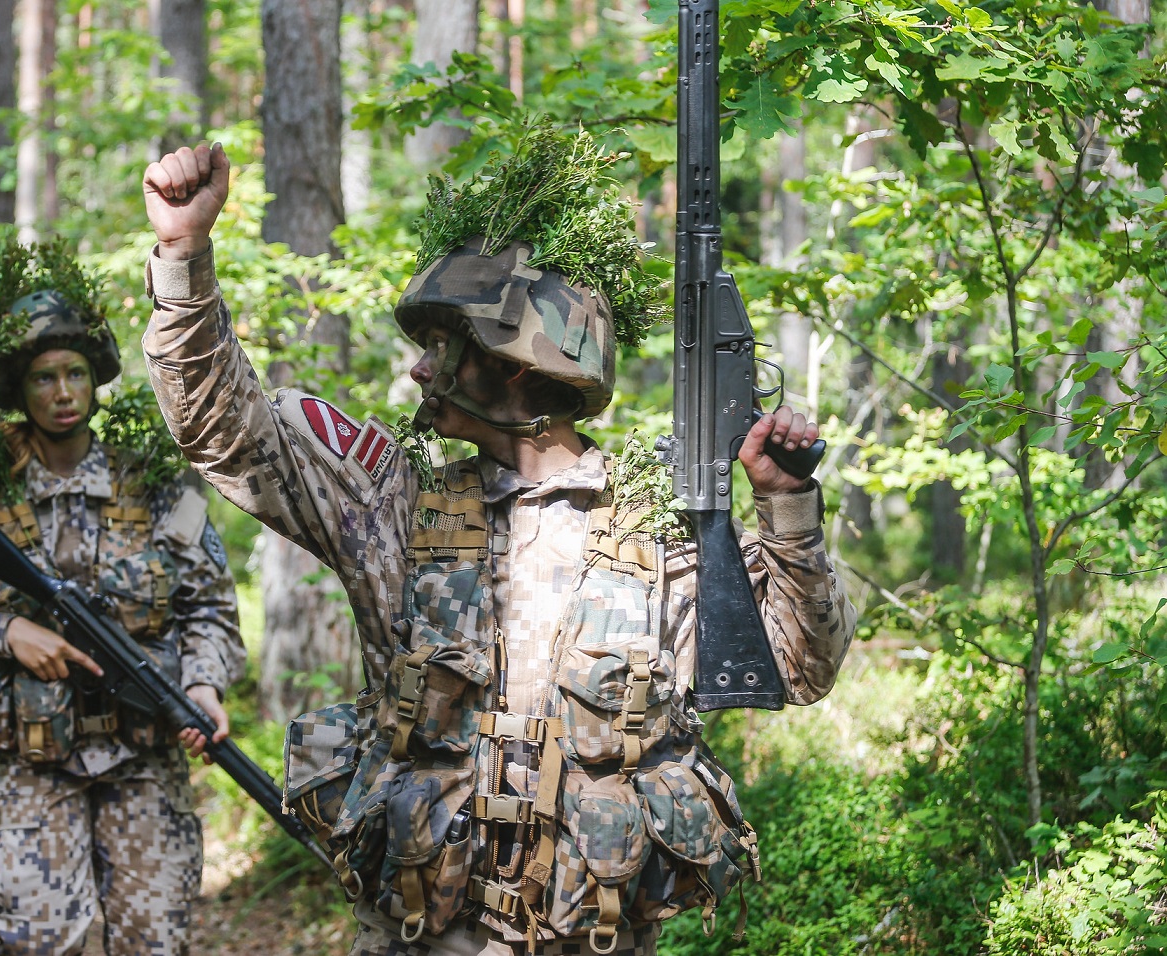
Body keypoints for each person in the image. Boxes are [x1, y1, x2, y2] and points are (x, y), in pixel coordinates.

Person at [138, 131, 858, 956]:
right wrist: (183, 254)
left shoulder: (662, 524)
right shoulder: (394, 501)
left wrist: (788, 504)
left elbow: (801, 668)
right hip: (423, 929)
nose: (419, 371)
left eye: (444, 348)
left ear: (516, 362)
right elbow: (229, 431)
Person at [0, 238, 246, 955]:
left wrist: (206, 684)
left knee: (154, 941)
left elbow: (209, 605)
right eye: (43, 378)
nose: (62, 392)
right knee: (36, 941)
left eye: (76, 373)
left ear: (96, 380)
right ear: (16, 389)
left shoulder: (154, 484)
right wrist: (8, 634)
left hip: (145, 759)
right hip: (37, 763)